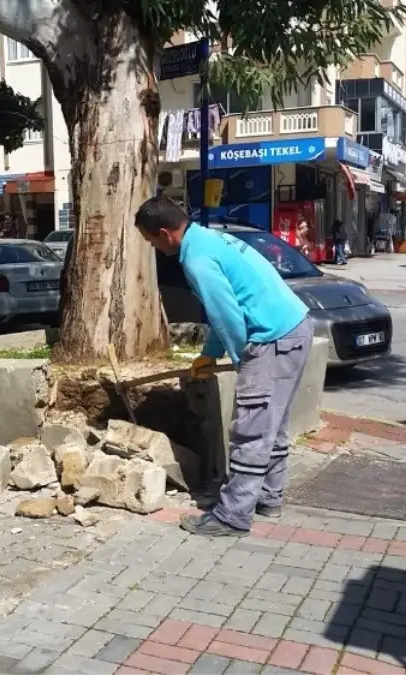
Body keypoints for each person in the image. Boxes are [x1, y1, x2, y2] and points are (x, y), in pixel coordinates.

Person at [134, 197, 313, 537]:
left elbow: (228, 317)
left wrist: (241, 359)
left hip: (271, 338)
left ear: (164, 233)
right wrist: (209, 353)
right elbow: (225, 309)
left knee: (251, 428)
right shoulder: (210, 239)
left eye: (151, 241)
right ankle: (268, 496)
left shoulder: (197, 260)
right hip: (295, 326)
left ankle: (233, 515)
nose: (153, 248)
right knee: (272, 424)